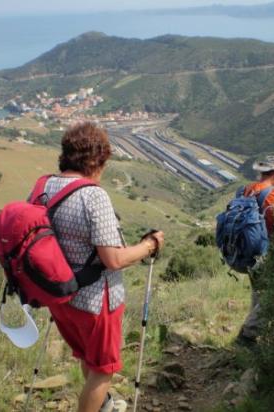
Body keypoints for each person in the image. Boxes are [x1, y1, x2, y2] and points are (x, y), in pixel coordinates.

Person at [34, 122, 165, 412]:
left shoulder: (45, 186)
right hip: (95, 301)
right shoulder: (93, 195)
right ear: (97, 159)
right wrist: (149, 246)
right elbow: (114, 260)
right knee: (103, 369)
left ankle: (103, 406)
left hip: (61, 295)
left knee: (87, 357)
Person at [237, 155, 274, 344]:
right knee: (271, 293)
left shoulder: (245, 190)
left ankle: (254, 332)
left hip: (245, 251)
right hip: (265, 252)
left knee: (258, 291)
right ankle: (247, 335)